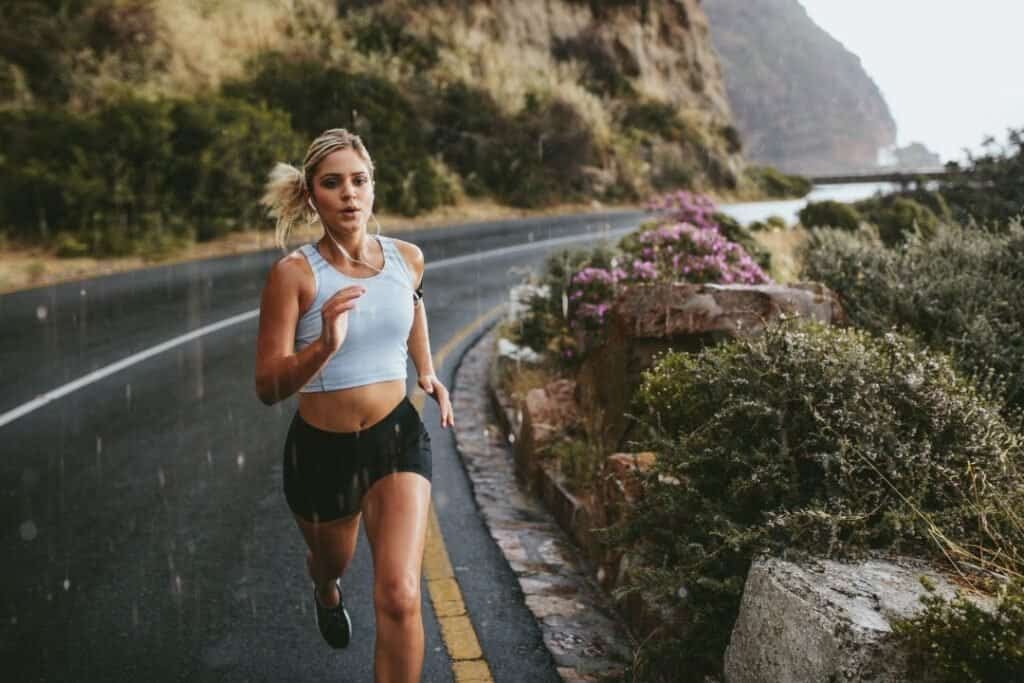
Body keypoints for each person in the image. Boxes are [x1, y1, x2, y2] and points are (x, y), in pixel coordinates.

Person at [254, 128, 453, 682]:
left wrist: (428, 369)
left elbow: (411, 308)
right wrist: (323, 346)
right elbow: (268, 386)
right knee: (331, 561)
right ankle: (324, 588)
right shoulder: (294, 275)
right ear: (312, 195)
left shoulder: (406, 259)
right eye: (333, 183)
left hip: (396, 437)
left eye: (359, 181)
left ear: (373, 188)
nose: (349, 193)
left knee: (400, 594)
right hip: (321, 453)